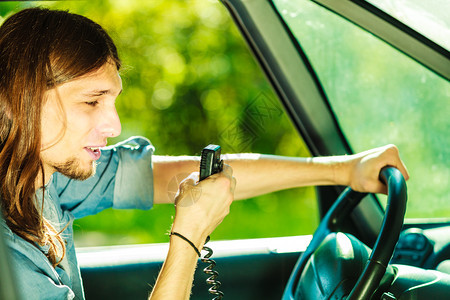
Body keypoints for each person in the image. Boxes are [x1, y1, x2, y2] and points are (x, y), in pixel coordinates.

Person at [0, 7, 409, 300]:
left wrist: (345, 169)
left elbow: (180, 176)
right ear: (23, 101)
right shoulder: (9, 255)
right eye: (92, 102)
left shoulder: (46, 179)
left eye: (113, 102)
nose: (114, 126)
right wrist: (187, 237)